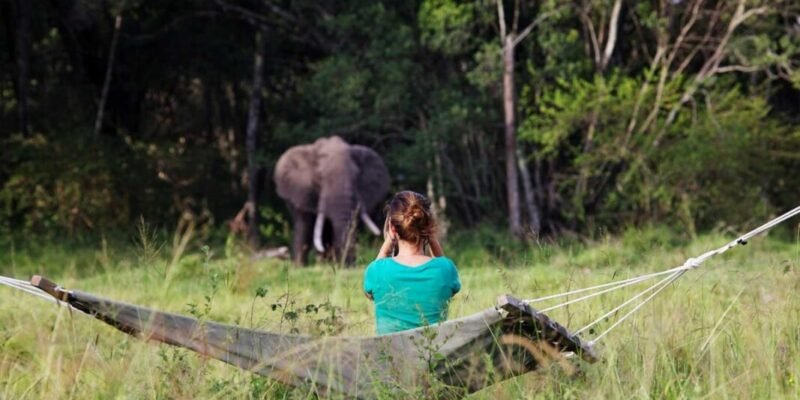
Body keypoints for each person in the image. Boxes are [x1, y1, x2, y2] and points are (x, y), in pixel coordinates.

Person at [363, 191, 461, 335]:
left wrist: (387, 245)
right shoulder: (445, 269)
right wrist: (432, 239)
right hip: (433, 355)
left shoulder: (376, 270)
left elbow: (369, 293)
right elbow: (443, 266)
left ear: (392, 228)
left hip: (391, 356)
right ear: (428, 227)